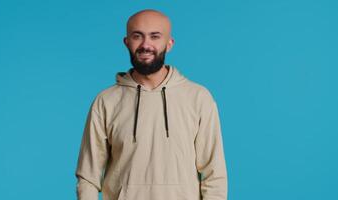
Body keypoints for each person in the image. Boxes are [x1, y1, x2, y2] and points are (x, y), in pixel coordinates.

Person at [75, 9, 228, 200]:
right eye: (137, 36)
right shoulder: (106, 101)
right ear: (127, 42)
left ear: (169, 44)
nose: (146, 45)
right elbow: (88, 176)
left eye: (155, 36)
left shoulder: (198, 98)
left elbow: (214, 174)